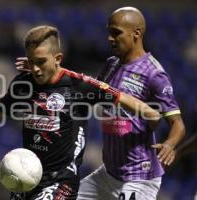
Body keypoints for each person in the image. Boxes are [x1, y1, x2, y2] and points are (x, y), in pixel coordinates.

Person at [0, 25, 160, 200]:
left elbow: (119, 96)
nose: (35, 69)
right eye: (31, 62)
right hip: (26, 177)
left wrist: (150, 112)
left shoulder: (79, 86)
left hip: (61, 182)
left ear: (58, 58)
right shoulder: (23, 83)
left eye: (41, 62)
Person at [76, 7, 186, 200]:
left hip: (139, 176)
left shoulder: (154, 73)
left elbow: (178, 124)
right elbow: (92, 96)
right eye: (109, 32)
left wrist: (170, 144)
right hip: (109, 174)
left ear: (137, 33)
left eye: (116, 32)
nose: (110, 38)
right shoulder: (111, 64)